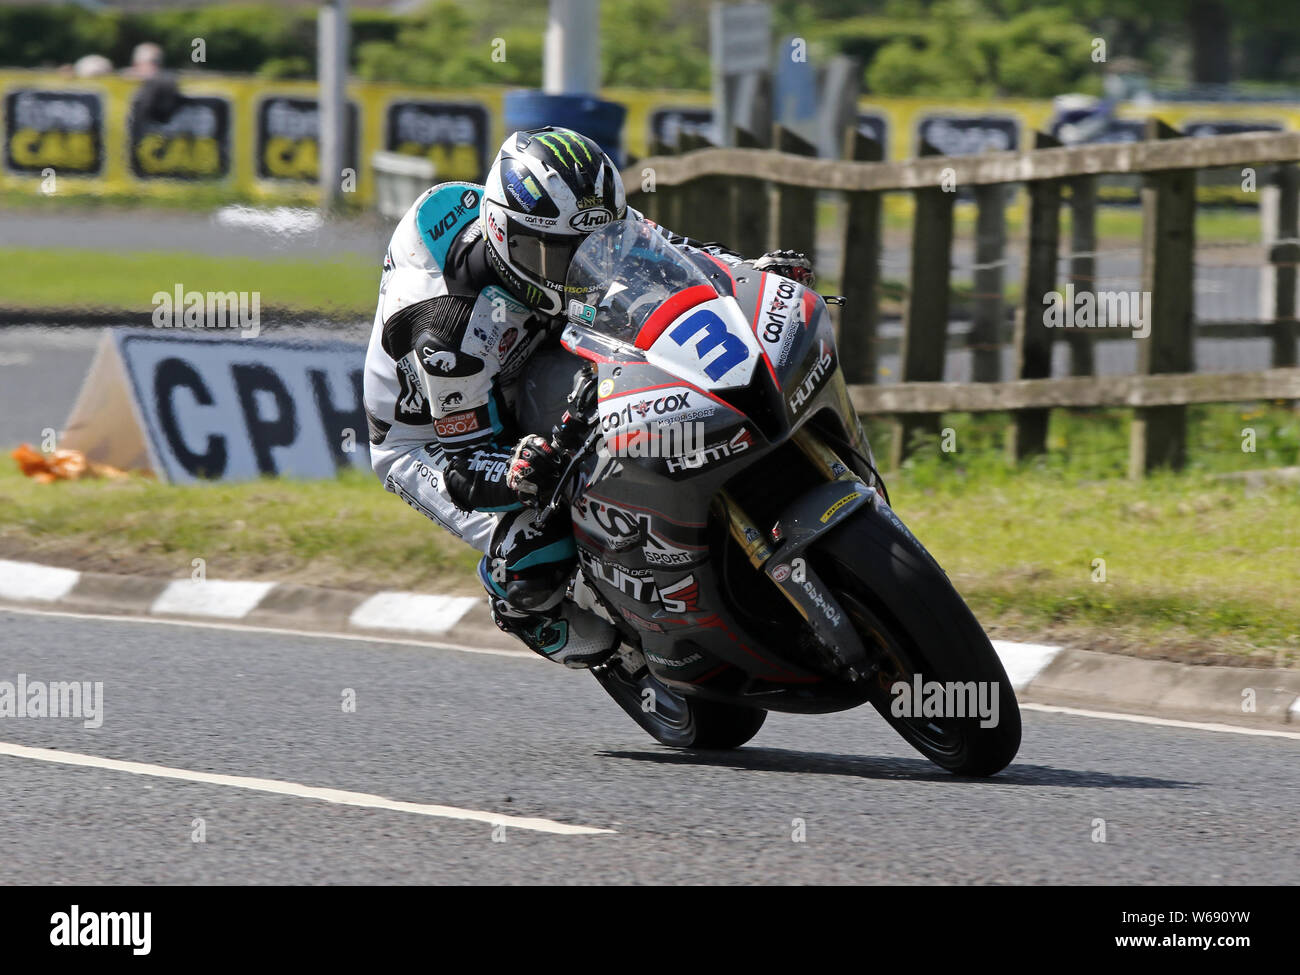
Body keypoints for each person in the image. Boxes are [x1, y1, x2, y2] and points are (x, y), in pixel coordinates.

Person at [362, 126, 812, 667]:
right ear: (508, 241)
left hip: (530, 344)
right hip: (432, 438)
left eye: (594, 245)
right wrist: (517, 471)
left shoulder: (567, 227)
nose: (583, 263)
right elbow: (463, 470)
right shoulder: (448, 330)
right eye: (560, 254)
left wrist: (745, 269)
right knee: (532, 548)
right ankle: (526, 611)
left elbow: (663, 250)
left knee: (636, 398)